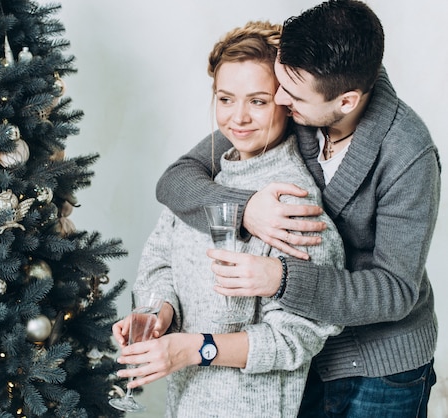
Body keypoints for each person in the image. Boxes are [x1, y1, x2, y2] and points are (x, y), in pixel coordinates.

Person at [155, 1, 440, 417]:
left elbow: (395, 292)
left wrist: (282, 279)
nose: (279, 97)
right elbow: (177, 179)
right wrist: (246, 208)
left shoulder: (408, 154)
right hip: (301, 358)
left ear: (346, 101)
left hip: (382, 365)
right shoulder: (296, 104)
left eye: (291, 93)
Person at [113, 21, 345, 417]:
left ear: (286, 103)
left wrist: (193, 349)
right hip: (186, 403)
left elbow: (295, 338)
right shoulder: (203, 181)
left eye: (258, 101)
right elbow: (161, 261)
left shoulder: (293, 202)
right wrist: (159, 314)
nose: (238, 117)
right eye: (225, 98)